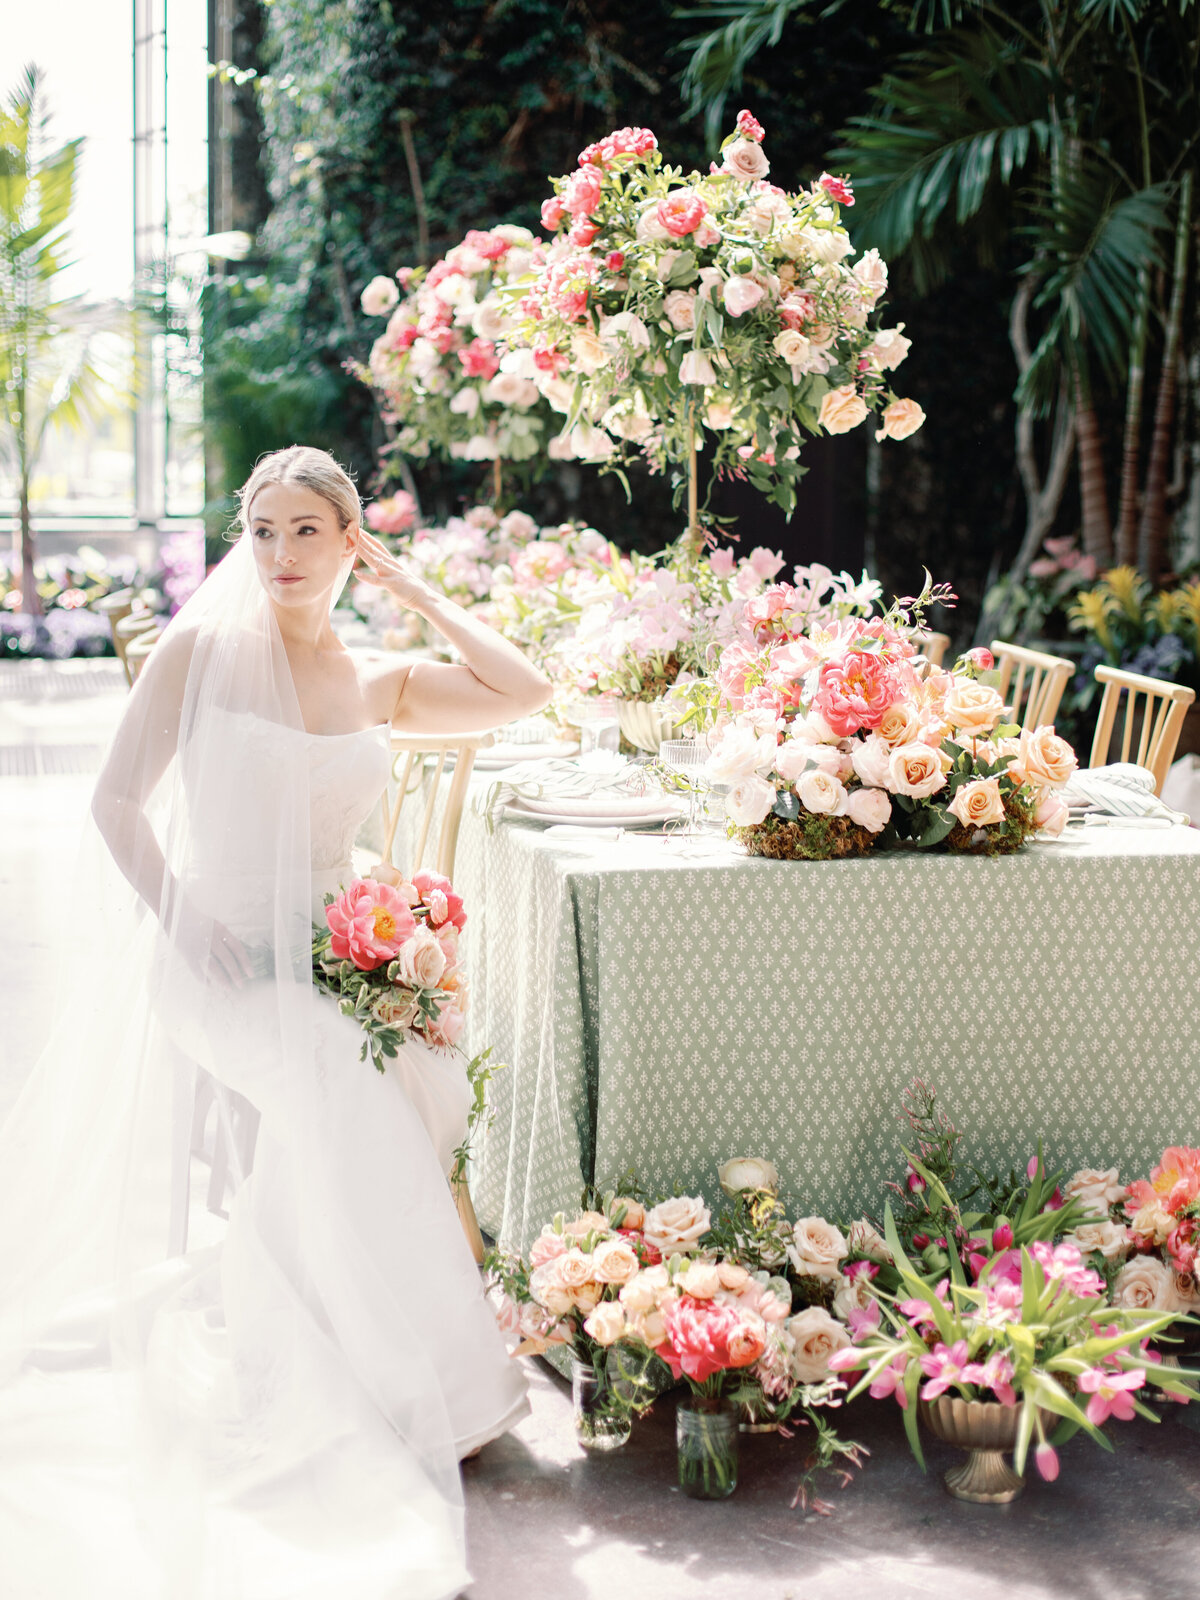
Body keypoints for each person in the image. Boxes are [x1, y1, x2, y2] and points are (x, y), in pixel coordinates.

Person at [0, 446, 549, 1599]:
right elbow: (113, 804)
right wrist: (184, 917)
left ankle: (331, 1357)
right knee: (347, 1090)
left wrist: (421, 595)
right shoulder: (202, 652)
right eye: (263, 530)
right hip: (220, 961)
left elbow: (525, 691)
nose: (283, 554)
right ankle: (412, 1389)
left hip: (331, 960)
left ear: (352, 541)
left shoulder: (377, 677)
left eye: (309, 530)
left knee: (365, 1081)